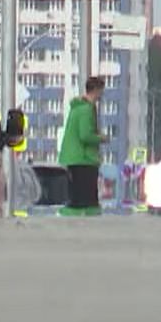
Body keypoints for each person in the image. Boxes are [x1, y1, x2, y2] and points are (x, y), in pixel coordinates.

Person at [58, 76, 107, 217]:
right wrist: (101, 138)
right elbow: (85, 135)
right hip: (83, 158)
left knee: (77, 197)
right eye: (101, 91)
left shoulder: (78, 108)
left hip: (74, 157)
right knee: (87, 200)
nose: (101, 95)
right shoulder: (86, 109)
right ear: (96, 90)